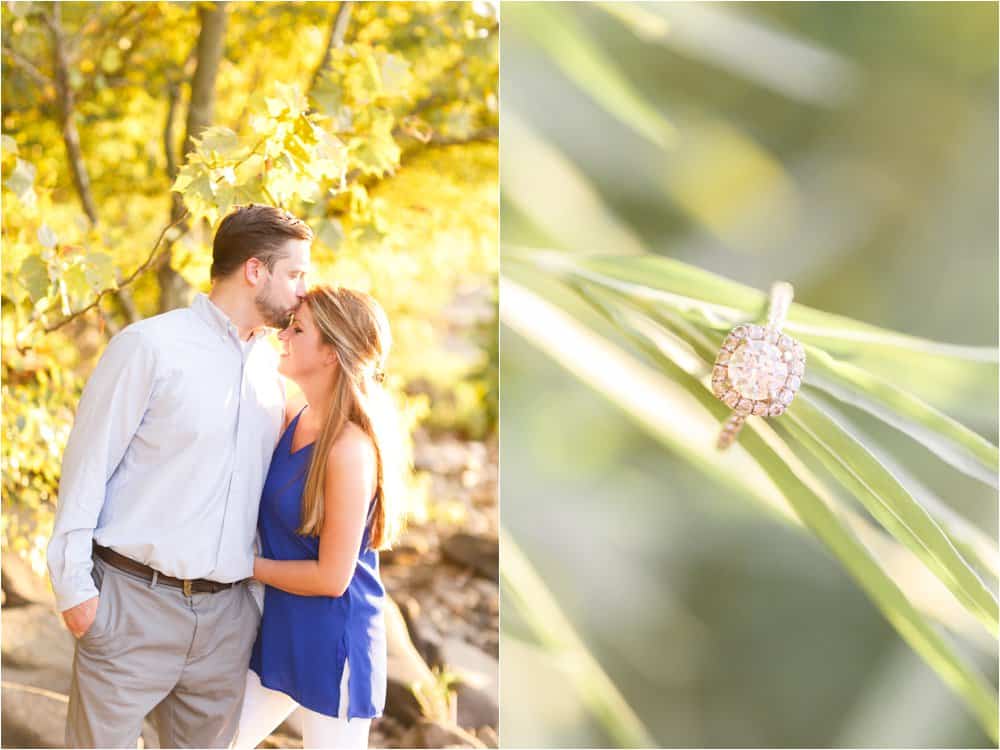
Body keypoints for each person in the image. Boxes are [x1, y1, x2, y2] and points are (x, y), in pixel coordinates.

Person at [46, 204, 312, 748]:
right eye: (295, 274)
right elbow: (86, 469)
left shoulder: (273, 369)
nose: (303, 291)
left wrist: (253, 605)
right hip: (129, 605)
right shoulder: (148, 347)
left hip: (227, 624)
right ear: (255, 271)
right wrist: (76, 591)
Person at [230, 285, 407, 749]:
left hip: (335, 642)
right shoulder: (292, 413)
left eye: (299, 328)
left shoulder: (350, 450)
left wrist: (236, 565)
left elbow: (332, 577)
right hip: (282, 628)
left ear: (331, 352)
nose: (283, 335)